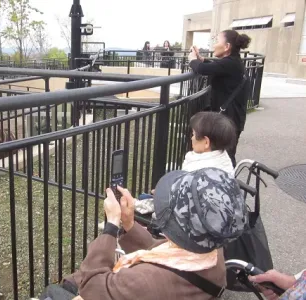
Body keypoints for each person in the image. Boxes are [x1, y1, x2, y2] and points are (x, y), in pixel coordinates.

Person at [40, 167, 247, 300]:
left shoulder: (145, 282)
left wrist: (112, 225)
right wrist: (129, 224)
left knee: (53, 292)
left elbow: (93, 287)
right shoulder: (212, 252)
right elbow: (163, 254)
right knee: (70, 282)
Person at [134, 111, 236, 215]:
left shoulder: (196, 170)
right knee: (146, 196)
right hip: (216, 215)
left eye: (194, 134)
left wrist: (161, 195)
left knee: (142, 198)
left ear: (206, 142)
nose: (191, 138)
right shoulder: (223, 159)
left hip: (192, 221)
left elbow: (179, 203)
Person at [187, 30, 252, 167]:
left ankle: (228, 184)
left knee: (226, 158)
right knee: (224, 156)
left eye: (216, 41)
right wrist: (202, 59)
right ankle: (226, 183)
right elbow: (214, 67)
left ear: (227, 46)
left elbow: (203, 70)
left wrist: (192, 59)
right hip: (232, 119)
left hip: (229, 121)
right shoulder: (232, 62)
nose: (213, 45)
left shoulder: (230, 64)